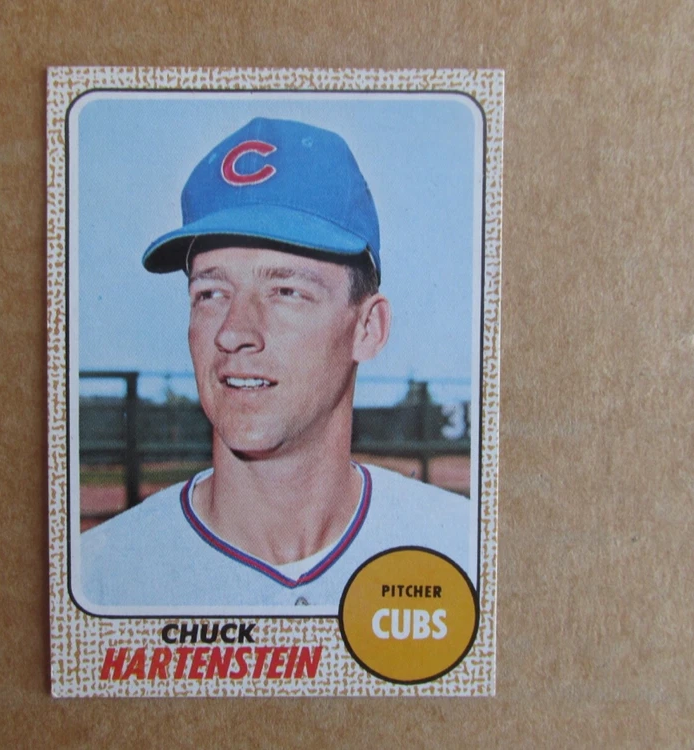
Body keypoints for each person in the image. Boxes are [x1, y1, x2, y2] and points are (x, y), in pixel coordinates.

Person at [79, 117, 470, 611]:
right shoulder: (99, 581)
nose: (233, 331)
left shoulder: (458, 554)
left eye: (286, 291)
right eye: (211, 292)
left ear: (368, 328)